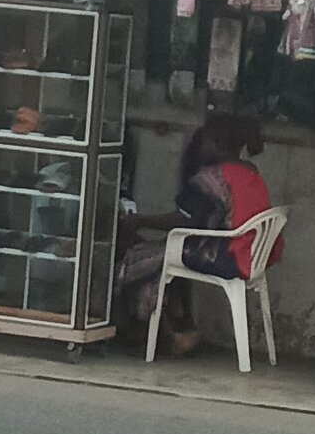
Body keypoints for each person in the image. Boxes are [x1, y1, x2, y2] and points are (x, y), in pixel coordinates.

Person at [115, 112, 283, 355]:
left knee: (137, 258)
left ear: (218, 144)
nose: (199, 146)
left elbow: (184, 220)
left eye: (204, 141)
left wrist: (141, 220)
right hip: (250, 254)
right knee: (161, 251)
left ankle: (163, 335)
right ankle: (169, 327)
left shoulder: (211, 178)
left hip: (225, 255)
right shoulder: (249, 171)